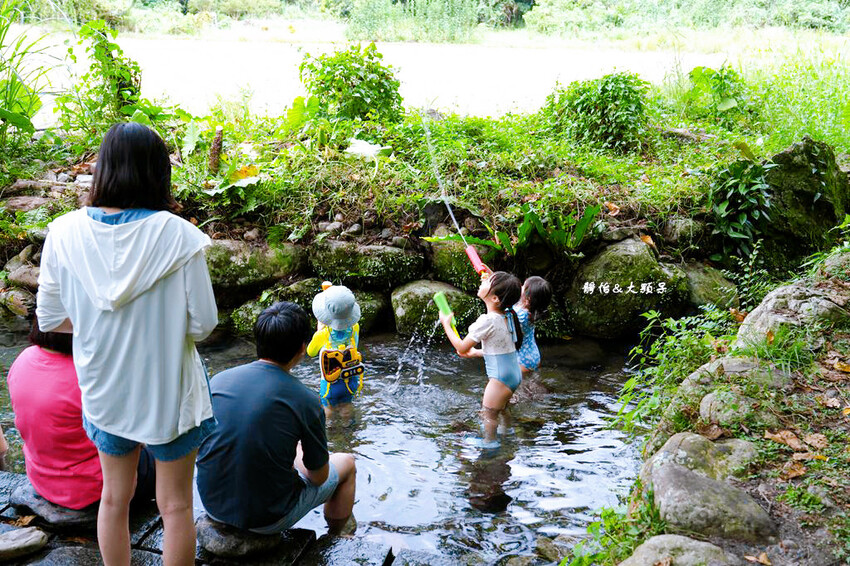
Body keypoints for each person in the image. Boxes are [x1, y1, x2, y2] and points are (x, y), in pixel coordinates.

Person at [36, 122, 218, 566]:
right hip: (168, 394)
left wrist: (103, 326)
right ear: (158, 173)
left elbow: (50, 318)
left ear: (104, 168)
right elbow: (204, 324)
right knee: (175, 506)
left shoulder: (63, 232)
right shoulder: (180, 238)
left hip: (103, 387)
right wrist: (156, 327)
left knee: (114, 498)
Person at [196, 302, 357, 535]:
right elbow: (318, 477)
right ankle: (338, 537)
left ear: (258, 341)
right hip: (267, 518)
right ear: (303, 348)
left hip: (211, 502)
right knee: (347, 463)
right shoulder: (306, 399)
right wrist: (299, 451)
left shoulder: (219, 380)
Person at [7, 316, 156, 510]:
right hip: (95, 490)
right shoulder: (89, 376)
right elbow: (134, 438)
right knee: (168, 451)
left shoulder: (23, 359)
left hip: (41, 480)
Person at [439, 271, 523, 448]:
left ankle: (490, 443)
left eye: (488, 281)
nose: (483, 281)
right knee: (503, 408)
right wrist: (476, 353)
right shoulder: (508, 314)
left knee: (489, 414)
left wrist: (446, 324)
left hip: (500, 379)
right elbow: (500, 349)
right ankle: (507, 432)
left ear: (495, 299)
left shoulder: (488, 320)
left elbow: (461, 347)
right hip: (513, 375)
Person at [307, 284, 365, 419]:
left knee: (327, 407)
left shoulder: (323, 335)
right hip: (350, 382)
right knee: (346, 406)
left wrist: (319, 331)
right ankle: (348, 432)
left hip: (329, 385)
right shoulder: (355, 328)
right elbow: (354, 346)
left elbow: (311, 352)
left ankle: (330, 433)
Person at [515, 276, 553, 375]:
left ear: (527, 299)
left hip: (520, 360)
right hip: (533, 355)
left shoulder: (520, 315)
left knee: (522, 388)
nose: (520, 287)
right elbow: (508, 289)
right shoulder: (531, 310)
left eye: (523, 286)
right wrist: (491, 276)